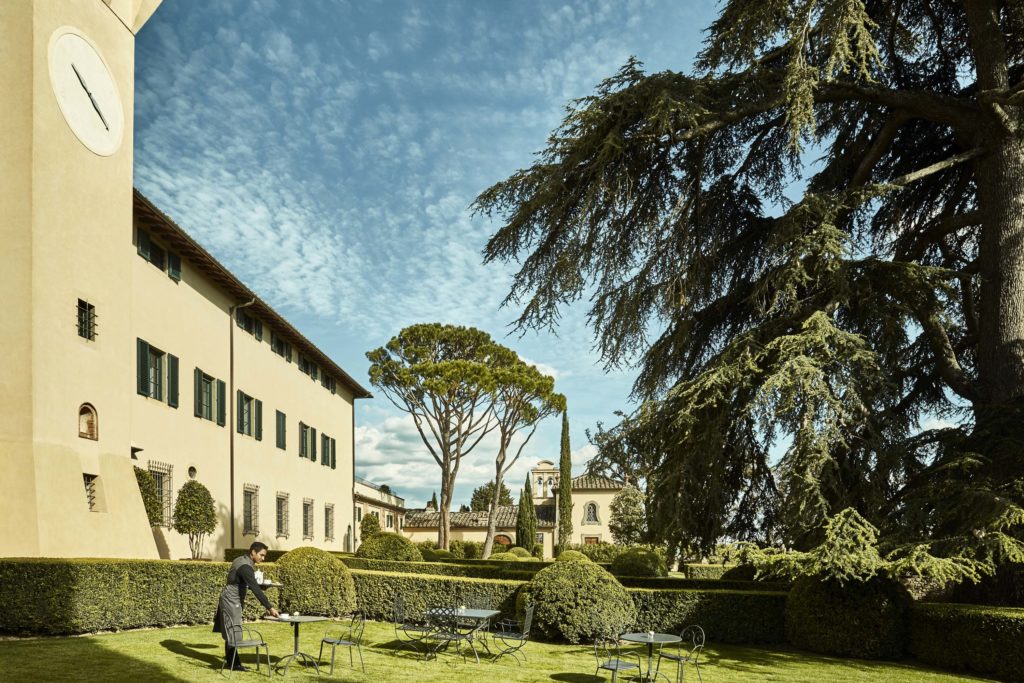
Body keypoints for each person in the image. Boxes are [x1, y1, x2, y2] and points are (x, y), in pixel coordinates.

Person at [213, 541, 279, 671]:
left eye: (264, 556)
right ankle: (235, 664)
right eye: (261, 555)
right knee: (234, 632)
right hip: (232, 600)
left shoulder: (240, 559)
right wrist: (270, 607)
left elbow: (242, 581)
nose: (263, 558)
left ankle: (233, 663)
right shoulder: (245, 567)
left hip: (230, 597)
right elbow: (255, 589)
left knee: (232, 631)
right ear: (253, 552)